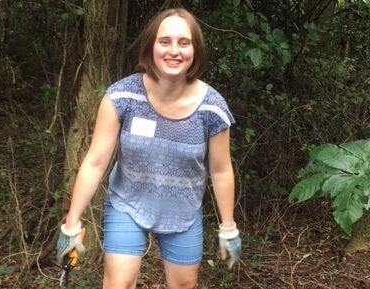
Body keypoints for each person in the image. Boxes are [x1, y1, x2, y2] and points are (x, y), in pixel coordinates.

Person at [56, 8, 241, 289]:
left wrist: (228, 228)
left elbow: (221, 170)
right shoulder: (122, 96)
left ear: (196, 50)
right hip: (127, 204)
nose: (174, 51)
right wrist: (71, 224)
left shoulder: (212, 107)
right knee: (118, 284)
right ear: (151, 46)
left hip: (183, 212)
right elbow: (95, 162)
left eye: (184, 42)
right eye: (164, 41)